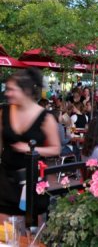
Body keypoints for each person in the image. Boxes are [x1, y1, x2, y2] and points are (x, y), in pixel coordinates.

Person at [0, 68, 61, 221]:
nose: (7, 93)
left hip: (31, 180)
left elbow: (56, 149)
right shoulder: (3, 112)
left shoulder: (46, 117)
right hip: (5, 178)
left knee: (29, 228)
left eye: (12, 90)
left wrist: (30, 148)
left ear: (25, 91)